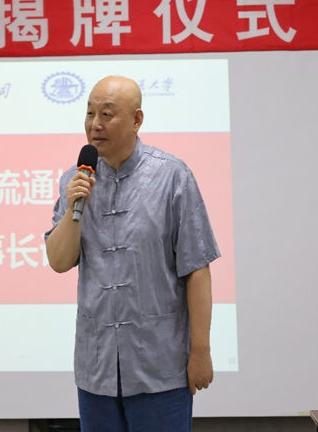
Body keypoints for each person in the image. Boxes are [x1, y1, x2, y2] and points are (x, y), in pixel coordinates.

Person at [45, 75, 221, 432]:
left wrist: (200, 351)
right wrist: (74, 209)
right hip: (97, 370)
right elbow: (59, 262)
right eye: (90, 113)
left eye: (107, 114)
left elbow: (197, 269)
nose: (95, 124)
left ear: (137, 119)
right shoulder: (74, 181)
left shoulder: (172, 177)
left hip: (160, 368)